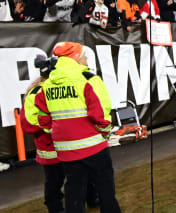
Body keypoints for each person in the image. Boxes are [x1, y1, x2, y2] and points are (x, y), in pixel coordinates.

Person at [34, 42, 121, 213]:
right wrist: (105, 133)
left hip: (66, 150)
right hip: (94, 146)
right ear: (75, 57)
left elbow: (43, 119)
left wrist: (57, 133)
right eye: (84, 55)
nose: (87, 58)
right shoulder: (89, 80)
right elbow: (101, 114)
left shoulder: (47, 85)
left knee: (74, 192)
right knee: (106, 191)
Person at [20, 55, 64, 213]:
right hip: (49, 147)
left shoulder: (56, 88)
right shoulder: (36, 92)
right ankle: (55, 208)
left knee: (77, 176)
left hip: (66, 143)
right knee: (54, 180)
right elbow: (28, 123)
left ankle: (90, 199)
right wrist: (51, 126)